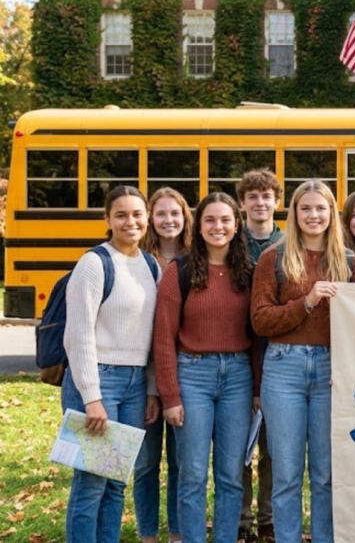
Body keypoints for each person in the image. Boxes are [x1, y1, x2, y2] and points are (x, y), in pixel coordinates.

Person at [251, 180, 355, 543]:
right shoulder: (274, 258)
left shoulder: (347, 261)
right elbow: (261, 320)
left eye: (321, 208)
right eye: (306, 209)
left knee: (326, 473)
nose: (313, 215)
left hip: (332, 371)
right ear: (294, 214)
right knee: (285, 473)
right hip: (284, 369)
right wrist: (308, 301)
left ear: (332, 214)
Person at [153, 193, 254, 543]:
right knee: (192, 473)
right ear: (199, 226)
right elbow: (164, 338)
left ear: (236, 225)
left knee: (230, 474)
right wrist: (170, 395)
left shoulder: (249, 273)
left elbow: (257, 337)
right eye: (210, 220)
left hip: (238, 378)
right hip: (192, 376)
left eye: (225, 220)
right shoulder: (178, 271)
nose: (218, 227)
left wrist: (256, 390)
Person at [62, 185, 161, 543]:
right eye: (121, 214)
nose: (130, 221)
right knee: (91, 481)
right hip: (97, 381)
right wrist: (92, 397)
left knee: (117, 481)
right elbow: (78, 336)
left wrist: (151, 389)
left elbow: (151, 336)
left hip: (135, 385)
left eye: (137, 214)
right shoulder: (93, 263)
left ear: (147, 218)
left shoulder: (150, 265)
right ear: (107, 219)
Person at [136, 187, 193, 543]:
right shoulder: (140, 260)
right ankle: (147, 533)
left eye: (175, 213)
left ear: (185, 217)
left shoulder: (194, 259)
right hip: (142, 376)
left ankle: (175, 531)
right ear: (150, 220)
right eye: (161, 214)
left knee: (180, 463)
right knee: (144, 463)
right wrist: (150, 388)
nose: (169, 220)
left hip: (182, 374)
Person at [235, 169, 283, 543]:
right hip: (237, 348)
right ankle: (240, 518)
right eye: (252, 196)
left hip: (276, 352)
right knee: (239, 449)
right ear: (243, 203)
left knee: (272, 448)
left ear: (276, 202)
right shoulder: (231, 241)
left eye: (266, 196)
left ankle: (267, 520)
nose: (260, 202)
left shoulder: (287, 242)